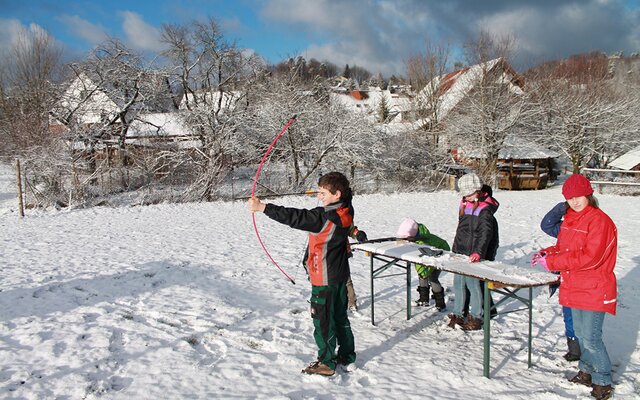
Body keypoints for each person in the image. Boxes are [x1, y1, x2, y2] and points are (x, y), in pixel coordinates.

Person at [248, 172, 356, 377]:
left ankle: (326, 363)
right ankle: (347, 356)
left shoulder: (322, 217)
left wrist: (263, 208)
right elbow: (340, 201)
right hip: (340, 276)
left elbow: (294, 216)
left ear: (337, 194)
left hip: (324, 279)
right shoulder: (346, 208)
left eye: (323, 193)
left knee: (323, 322)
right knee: (340, 317)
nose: (319, 196)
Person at [532, 174, 617, 400]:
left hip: (594, 287)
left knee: (591, 338)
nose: (575, 201)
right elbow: (564, 248)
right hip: (575, 285)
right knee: (580, 335)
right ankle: (586, 371)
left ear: (589, 194)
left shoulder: (600, 221)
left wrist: (552, 263)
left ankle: (603, 380)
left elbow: (591, 257)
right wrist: (547, 253)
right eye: (570, 198)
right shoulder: (570, 219)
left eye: (579, 196)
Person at [448, 173, 500, 331]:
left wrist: (478, 252)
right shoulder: (464, 204)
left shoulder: (485, 210)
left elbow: (485, 234)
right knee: (458, 283)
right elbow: (461, 229)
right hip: (461, 251)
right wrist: (455, 249)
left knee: (473, 284)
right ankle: (458, 313)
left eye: (470, 194)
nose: (467, 198)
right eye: (465, 195)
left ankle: (477, 316)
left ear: (478, 191)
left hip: (477, 253)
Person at [540, 201, 581, 362]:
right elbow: (546, 225)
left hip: (581, 278)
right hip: (565, 278)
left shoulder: (589, 227)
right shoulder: (564, 228)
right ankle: (574, 348)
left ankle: (584, 347)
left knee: (582, 317)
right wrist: (563, 206)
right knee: (569, 314)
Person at [396, 218, 450, 311]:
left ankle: (440, 304)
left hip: (441, 253)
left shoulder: (424, 242)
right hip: (428, 253)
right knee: (422, 275)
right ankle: (424, 299)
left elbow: (423, 254)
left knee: (432, 278)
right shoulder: (416, 238)